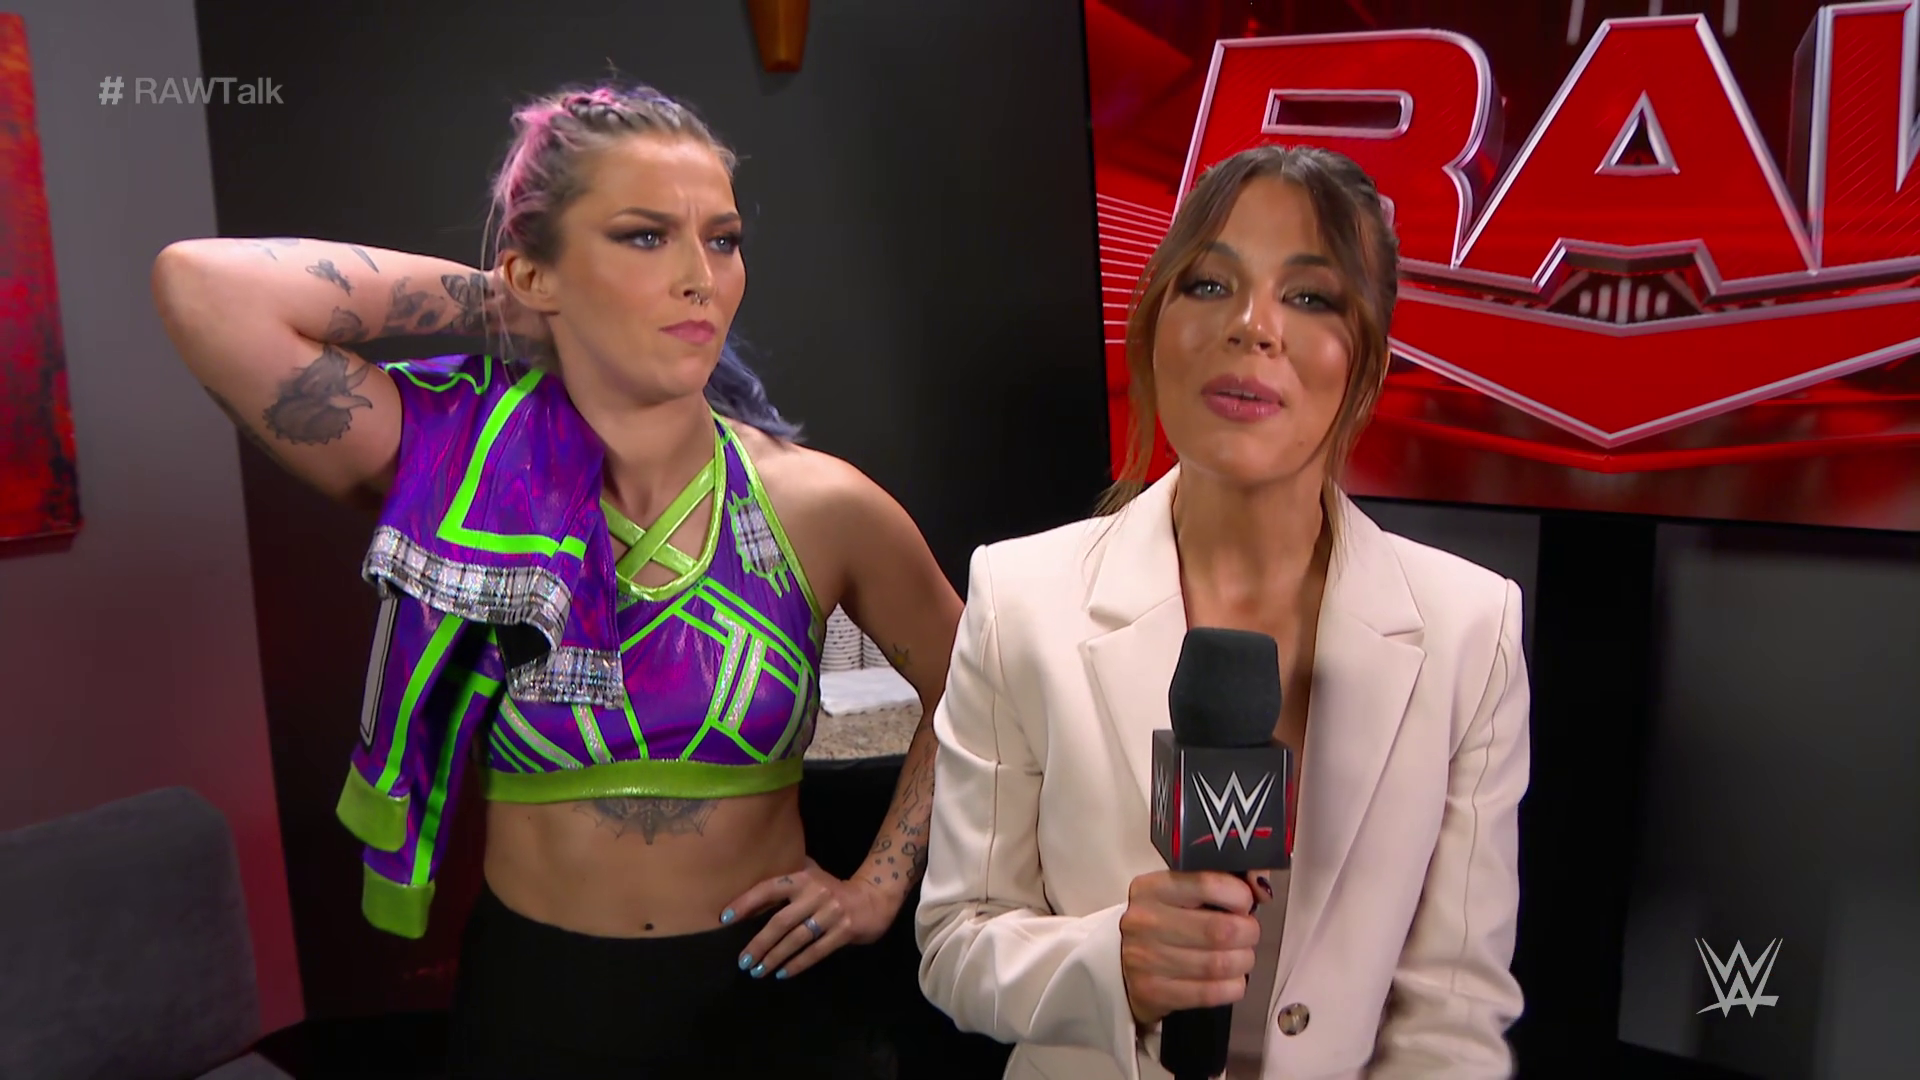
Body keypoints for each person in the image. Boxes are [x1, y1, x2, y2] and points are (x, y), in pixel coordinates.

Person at [152, 81, 962, 1078]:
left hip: (769, 1003)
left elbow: (978, 690)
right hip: (539, 1006)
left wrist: (877, 885)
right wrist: (518, 304)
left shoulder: (822, 505)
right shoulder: (454, 470)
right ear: (537, 268)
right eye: (644, 236)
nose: (700, 277)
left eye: (723, 240)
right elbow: (203, 288)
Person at [914, 145, 1530, 1080]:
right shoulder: (1019, 597)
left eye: (1311, 297)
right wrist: (1112, 965)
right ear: (1155, 322)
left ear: (1369, 359)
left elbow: (1454, 1015)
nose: (1253, 327)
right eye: (1209, 284)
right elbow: (958, 942)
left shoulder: (1469, 629)